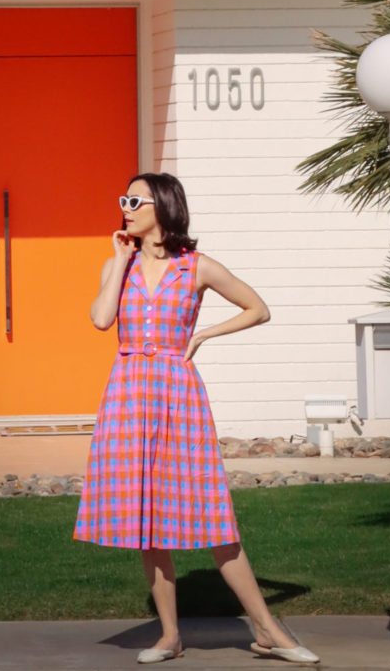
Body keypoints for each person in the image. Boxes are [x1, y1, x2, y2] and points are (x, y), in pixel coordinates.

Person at [74, 172, 319, 666]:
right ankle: (169, 637)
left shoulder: (198, 267)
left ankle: (268, 628)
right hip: (127, 395)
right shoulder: (117, 263)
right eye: (124, 199)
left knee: (212, 516)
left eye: (135, 200)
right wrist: (120, 261)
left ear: (162, 206)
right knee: (146, 520)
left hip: (178, 396)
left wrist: (204, 334)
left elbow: (258, 308)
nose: (125, 207)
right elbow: (102, 320)